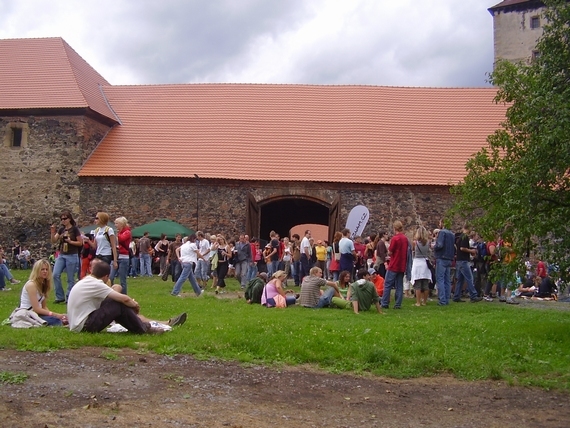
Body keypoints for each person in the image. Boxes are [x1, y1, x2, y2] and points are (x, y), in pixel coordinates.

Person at [67, 260, 186, 333]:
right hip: (85, 326)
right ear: (106, 276)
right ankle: (145, 328)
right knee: (118, 303)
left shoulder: (87, 281)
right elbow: (124, 299)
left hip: (79, 324)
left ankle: (153, 325)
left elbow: (117, 290)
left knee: (118, 304)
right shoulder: (96, 284)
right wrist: (134, 304)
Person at [20, 259, 67, 326]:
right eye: (42, 269)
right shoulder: (31, 285)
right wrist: (56, 315)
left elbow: (44, 306)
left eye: (46, 269)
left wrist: (53, 315)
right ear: (37, 271)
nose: (45, 271)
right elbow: (36, 309)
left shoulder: (43, 284)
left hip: (38, 313)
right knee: (56, 321)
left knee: (63, 318)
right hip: (29, 313)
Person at [51, 210, 83, 304]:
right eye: (61, 219)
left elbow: (80, 242)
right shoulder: (61, 229)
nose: (63, 221)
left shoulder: (75, 229)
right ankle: (59, 296)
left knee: (70, 278)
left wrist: (70, 241)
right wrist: (53, 232)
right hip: (62, 254)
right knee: (55, 274)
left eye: (65, 219)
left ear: (69, 219)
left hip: (72, 255)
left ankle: (69, 297)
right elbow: (54, 240)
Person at [381, 221, 409, 309]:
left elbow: (390, 251)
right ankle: (398, 304)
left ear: (394, 228)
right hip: (402, 264)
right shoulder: (405, 238)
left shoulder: (395, 238)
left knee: (388, 284)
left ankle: (385, 303)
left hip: (394, 264)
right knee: (399, 285)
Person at [453, 225, 483, 303]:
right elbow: (462, 248)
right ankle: (473, 295)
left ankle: (456, 296)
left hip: (459, 260)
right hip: (463, 261)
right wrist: (471, 251)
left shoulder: (460, 237)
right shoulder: (465, 237)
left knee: (460, 280)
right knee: (469, 278)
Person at [434, 219, 456, 306]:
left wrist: (434, 247)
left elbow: (440, 245)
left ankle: (442, 300)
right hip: (449, 259)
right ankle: (447, 299)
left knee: (440, 279)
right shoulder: (452, 234)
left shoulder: (442, 233)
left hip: (442, 257)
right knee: (447, 280)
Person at [411, 226, 432, 307]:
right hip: (425, 263)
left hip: (417, 263)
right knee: (425, 284)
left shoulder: (415, 243)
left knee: (418, 284)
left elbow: (413, 251)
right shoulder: (428, 242)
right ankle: (424, 302)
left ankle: (418, 302)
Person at [109, 217, 131, 294]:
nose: (115, 225)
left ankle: (124, 295)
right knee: (110, 277)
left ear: (122, 224)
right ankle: (112, 293)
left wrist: (116, 235)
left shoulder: (127, 232)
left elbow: (121, 239)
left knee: (122, 279)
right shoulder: (118, 232)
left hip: (124, 257)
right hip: (116, 256)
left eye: (117, 223)